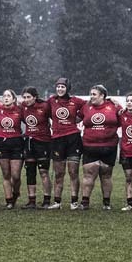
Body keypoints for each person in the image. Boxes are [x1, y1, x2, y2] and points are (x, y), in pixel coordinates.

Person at [79, 85, 120, 210]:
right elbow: (76, 118)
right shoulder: (86, 106)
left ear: (102, 95)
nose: (91, 96)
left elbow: (124, 119)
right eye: (91, 94)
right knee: (88, 174)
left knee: (106, 175)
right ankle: (85, 202)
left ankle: (106, 203)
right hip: (89, 146)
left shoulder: (114, 106)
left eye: (94, 94)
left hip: (109, 146)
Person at [47, 78, 85, 210]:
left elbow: (89, 107)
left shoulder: (75, 101)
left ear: (67, 88)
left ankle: (74, 202)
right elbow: (43, 110)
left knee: (73, 172)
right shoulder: (51, 100)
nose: (60, 89)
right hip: (57, 139)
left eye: (62, 87)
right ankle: (57, 202)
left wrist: (79, 117)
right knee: (59, 173)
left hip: (73, 138)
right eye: (58, 87)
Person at [20, 87, 51, 209]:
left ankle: (46, 200)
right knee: (30, 171)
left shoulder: (45, 106)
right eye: (24, 97)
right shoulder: (23, 106)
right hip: (29, 142)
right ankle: (31, 200)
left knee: (43, 172)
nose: (26, 99)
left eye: (29, 97)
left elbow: (53, 118)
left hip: (43, 142)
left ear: (35, 97)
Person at [0, 89, 25, 209]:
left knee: (16, 176)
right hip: (2, 143)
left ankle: (16, 192)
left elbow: (30, 119)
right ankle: (9, 201)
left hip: (17, 143)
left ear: (14, 99)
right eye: (4, 96)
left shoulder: (19, 109)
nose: (6, 98)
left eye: (8, 96)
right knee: (6, 174)